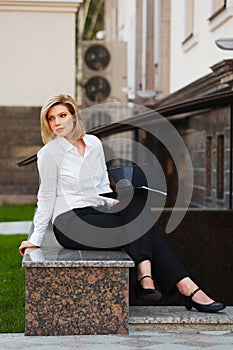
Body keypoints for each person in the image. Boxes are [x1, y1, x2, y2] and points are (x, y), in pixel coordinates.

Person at [19, 94, 225, 313]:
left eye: (62, 115)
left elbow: (100, 187)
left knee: (137, 197)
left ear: (74, 117)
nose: (57, 122)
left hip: (96, 211)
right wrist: (36, 238)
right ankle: (178, 285)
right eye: (51, 118)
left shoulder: (93, 144)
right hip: (69, 222)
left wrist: (118, 203)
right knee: (144, 226)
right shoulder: (49, 153)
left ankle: (151, 277)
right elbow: (47, 196)